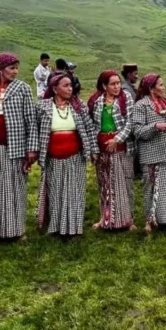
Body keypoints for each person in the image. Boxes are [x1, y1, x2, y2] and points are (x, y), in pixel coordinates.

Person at [0, 53, 38, 240]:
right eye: (11, 68)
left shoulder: (22, 89)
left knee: (14, 187)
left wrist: (32, 148)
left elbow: (30, 119)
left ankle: (15, 231)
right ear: (0, 69)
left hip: (15, 147)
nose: (15, 72)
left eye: (16, 68)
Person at [35, 72, 98, 237]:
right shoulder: (43, 106)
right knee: (56, 193)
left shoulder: (79, 106)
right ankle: (56, 227)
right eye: (66, 86)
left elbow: (90, 129)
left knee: (75, 192)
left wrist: (93, 151)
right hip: (53, 158)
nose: (70, 89)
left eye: (71, 85)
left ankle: (74, 228)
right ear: (55, 89)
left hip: (75, 157)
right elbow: (35, 131)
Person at [133, 74, 166, 235]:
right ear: (151, 88)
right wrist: (156, 126)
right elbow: (137, 131)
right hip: (152, 156)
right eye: (161, 85)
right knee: (152, 189)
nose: (164, 88)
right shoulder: (141, 106)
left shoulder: (165, 104)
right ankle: (151, 220)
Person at [89, 70, 136, 231]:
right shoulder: (97, 101)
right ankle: (105, 218)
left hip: (121, 146)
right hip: (102, 147)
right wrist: (94, 148)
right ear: (104, 86)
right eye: (112, 84)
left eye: (118, 83)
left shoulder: (126, 98)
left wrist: (117, 139)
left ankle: (128, 220)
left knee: (123, 182)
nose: (117, 87)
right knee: (105, 183)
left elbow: (130, 122)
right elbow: (94, 125)